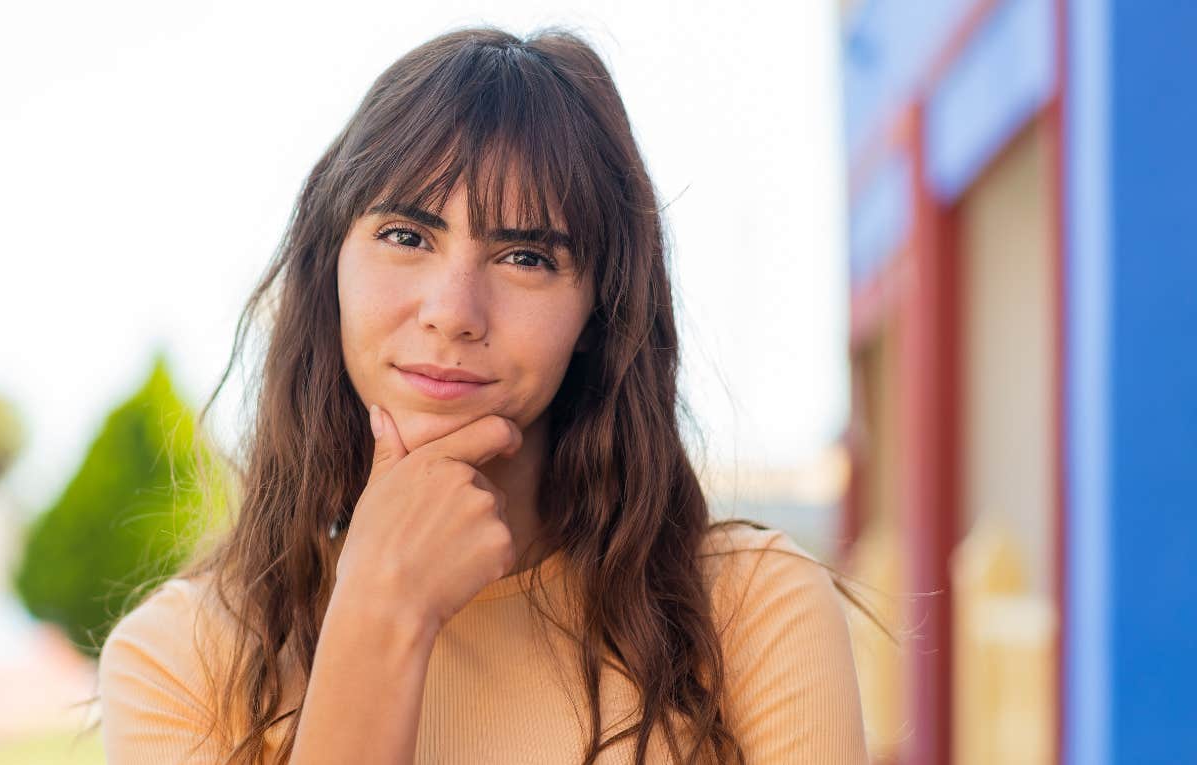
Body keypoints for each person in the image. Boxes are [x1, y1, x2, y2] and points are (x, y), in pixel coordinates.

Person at [97, 25, 872, 765]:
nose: (453, 311)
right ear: (327, 264)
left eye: (527, 255)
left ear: (599, 314)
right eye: (406, 235)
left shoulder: (753, 612)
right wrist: (382, 608)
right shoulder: (180, 658)